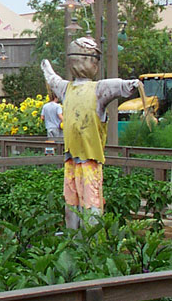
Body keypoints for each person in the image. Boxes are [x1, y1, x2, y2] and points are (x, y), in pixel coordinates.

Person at [41, 36, 143, 229]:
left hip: (90, 158)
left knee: (90, 200)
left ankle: (92, 243)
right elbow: (53, 79)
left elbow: (117, 86)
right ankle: (74, 238)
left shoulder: (97, 89)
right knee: (71, 199)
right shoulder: (67, 89)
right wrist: (46, 67)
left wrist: (131, 85)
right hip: (71, 157)